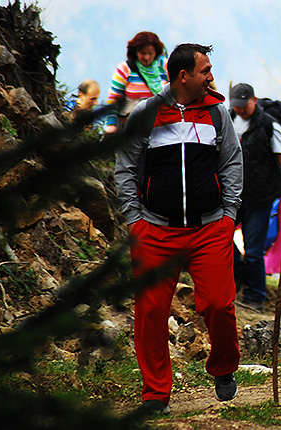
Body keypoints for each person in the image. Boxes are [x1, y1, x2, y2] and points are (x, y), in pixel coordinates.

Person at [115, 43, 242, 415]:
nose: (211, 77)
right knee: (151, 312)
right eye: (205, 71)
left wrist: (229, 214)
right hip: (155, 230)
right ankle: (156, 393)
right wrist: (134, 219)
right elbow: (125, 167)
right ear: (183, 75)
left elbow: (232, 162)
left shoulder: (217, 112)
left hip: (210, 228)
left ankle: (223, 368)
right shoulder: (146, 113)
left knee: (219, 304)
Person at [228, 83, 281, 312]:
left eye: (244, 106)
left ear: (254, 100)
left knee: (254, 251)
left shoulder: (269, 125)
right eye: (237, 106)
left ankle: (256, 298)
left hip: (261, 197)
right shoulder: (227, 120)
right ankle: (235, 280)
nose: (241, 110)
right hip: (231, 195)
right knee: (221, 239)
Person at [105, 31, 168, 134]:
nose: (147, 58)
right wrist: (111, 124)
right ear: (135, 52)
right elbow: (114, 99)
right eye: (143, 53)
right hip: (130, 127)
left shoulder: (164, 66)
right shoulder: (125, 69)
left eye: (150, 53)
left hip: (159, 127)